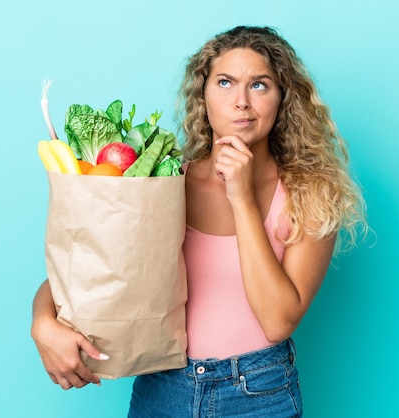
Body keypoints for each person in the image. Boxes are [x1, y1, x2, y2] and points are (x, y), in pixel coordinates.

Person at [31, 25, 367, 417]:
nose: (241, 101)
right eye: (225, 82)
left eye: (260, 85)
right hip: (163, 388)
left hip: (258, 393)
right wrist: (42, 323)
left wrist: (241, 199)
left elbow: (278, 321)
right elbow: (86, 274)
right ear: (203, 95)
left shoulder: (311, 194)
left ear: (283, 99)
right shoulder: (165, 181)